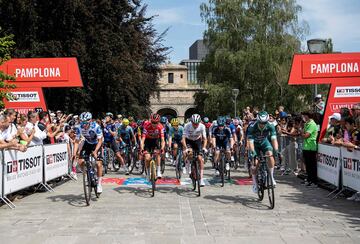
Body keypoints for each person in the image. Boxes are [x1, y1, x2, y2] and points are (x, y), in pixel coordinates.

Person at [247, 111, 279, 193]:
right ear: (258, 121)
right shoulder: (252, 126)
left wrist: (276, 150)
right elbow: (250, 142)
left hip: (264, 142)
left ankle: (271, 177)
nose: (263, 124)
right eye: (261, 123)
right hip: (254, 144)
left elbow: (274, 139)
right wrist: (253, 153)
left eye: (264, 123)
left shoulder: (271, 125)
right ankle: (254, 183)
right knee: (255, 164)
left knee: (270, 154)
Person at [73, 112, 104, 193]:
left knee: (98, 164)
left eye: (85, 123)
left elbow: (100, 140)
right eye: (82, 122)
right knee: (80, 162)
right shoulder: (79, 127)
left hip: (97, 144)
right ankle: (87, 173)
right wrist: (74, 153)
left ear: (90, 121)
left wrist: (96, 151)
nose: (83, 124)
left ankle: (99, 184)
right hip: (87, 144)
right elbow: (76, 141)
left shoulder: (96, 126)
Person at [182, 114, 207, 186]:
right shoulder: (187, 125)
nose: (195, 125)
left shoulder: (202, 126)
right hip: (189, 141)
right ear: (191, 122)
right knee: (189, 153)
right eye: (194, 123)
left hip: (197, 141)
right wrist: (186, 148)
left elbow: (205, 139)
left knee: (200, 158)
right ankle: (187, 165)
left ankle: (201, 179)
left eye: (197, 124)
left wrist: (204, 147)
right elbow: (183, 139)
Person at [140, 113, 165, 178]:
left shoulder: (160, 126)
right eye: (153, 122)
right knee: (147, 158)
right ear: (150, 121)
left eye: (156, 122)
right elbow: (143, 139)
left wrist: (162, 148)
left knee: (158, 154)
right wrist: (142, 148)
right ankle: (148, 173)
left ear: (158, 122)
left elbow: (162, 139)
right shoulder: (146, 126)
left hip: (156, 140)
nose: (154, 124)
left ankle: (158, 171)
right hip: (148, 141)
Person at [299, 111, 318, 187]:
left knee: (312, 165)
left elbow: (305, 135)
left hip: (311, 147)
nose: (303, 117)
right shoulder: (306, 123)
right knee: (308, 165)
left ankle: (314, 182)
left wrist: (301, 132)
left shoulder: (312, 124)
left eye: (304, 116)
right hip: (306, 147)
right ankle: (309, 179)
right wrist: (301, 130)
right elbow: (302, 133)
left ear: (308, 116)